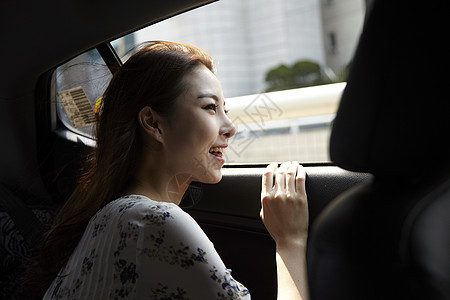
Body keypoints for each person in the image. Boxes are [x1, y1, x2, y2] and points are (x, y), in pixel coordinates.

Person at [31, 41, 309, 299]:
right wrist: (289, 241)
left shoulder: (110, 217)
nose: (231, 128)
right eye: (210, 107)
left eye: (225, 109)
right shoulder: (156, 221)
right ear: (153, 123)